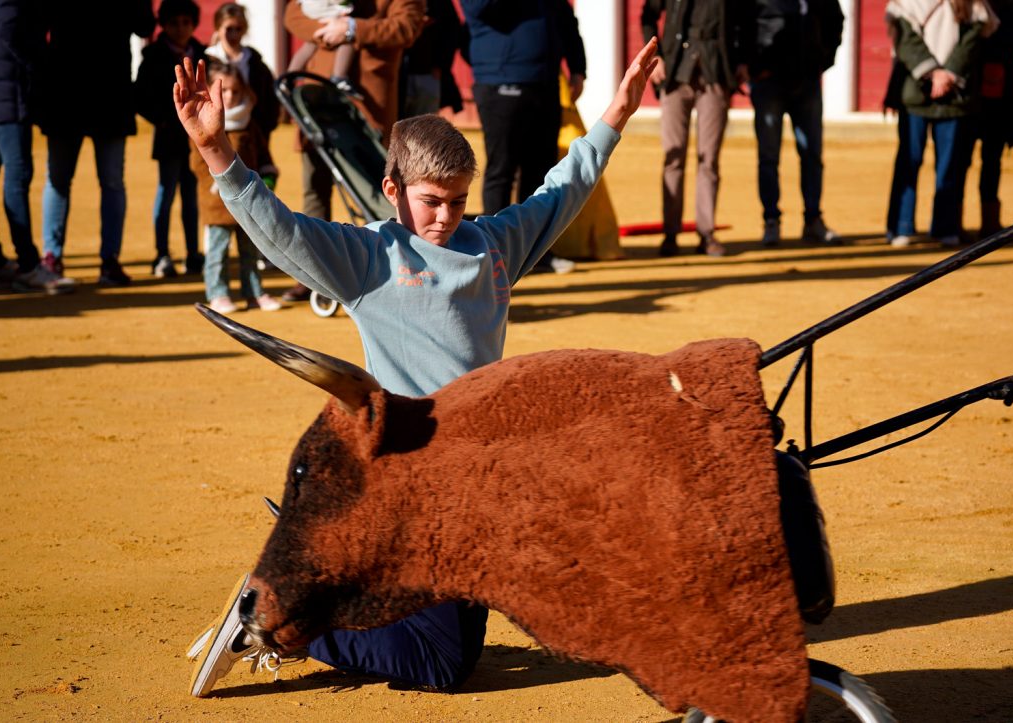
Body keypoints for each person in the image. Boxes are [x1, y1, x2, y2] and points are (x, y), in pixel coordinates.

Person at [173, 36, 660, 697]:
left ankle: (329, 585)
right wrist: (215, 151)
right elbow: (282, 230)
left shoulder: (491, 244)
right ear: (392, 189)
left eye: (459, 199)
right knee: (442, 665)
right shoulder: (370, 255)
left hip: (478, 485)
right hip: (408, 485)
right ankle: (281, 620)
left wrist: (616, 115)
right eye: (432, 200)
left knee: (455, 652)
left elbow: (562, 189)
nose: (448, 216)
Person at [281, 0, 424, 302]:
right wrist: (328, 28)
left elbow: (407, 26)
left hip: (368, 101)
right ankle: (312, 274)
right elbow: (294, 15)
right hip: (318, 101)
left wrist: (351, 28)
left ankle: (382, 273)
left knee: (374, 190)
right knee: (315, 189)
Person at [461, 0, 587, 274]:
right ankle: (494, 253)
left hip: (545, 82)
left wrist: (578, 65)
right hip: (500, 80)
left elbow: (563, 16)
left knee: (541, 173)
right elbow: (479, 9)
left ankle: (537, 252)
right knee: (502, 169)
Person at [37, 0, 155, 286]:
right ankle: (59, 256)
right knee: (64, 179)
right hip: (76, 93)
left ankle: (102, 259)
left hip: (99, 94)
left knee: (96, 181)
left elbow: (144, 27)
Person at [641, 0, 754, 257]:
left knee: (709, 158)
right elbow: (647, 16)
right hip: (675, 72)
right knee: (673, 155)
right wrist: (654, 56)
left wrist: (744, 61)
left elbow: (747, 22)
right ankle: (671, 233)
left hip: (716, 70)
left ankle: (706, 233)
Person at [884, 0, 999, 248]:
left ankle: (945, 226)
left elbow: (972, 41)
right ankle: (901, 226)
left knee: (950, 163)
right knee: (909, 159)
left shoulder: (972, 3)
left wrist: (949, 74)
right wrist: (934, 72)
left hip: (955, 94)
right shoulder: (906, 3)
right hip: (915, 91)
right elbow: (905, 40)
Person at [0, 0, 75, 294]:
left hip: (4, 92)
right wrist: (39, 66)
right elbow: (8, 29)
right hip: (8, 97)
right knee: (18, 177)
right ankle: (28, 265)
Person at [191, 61, 282, 314]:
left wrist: (268, 179)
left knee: (250, 251)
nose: (229, 97)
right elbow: (197, 163)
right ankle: (218, 294)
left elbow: (264, 157)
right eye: (223, 91)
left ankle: (253, 292)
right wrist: (217, 183)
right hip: (217, 204)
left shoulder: (249, 124)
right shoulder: (201, 123)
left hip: (248, 203)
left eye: (235, 91)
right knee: (217, 252)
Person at [750, 0, 843, 247]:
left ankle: (813, 219)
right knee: (769, 157)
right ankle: (771, 220)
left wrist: (822, 61)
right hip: (768, 83)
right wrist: (755, 67)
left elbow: (835, 20)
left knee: (812, 154)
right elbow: (740, 24)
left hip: (807, 81)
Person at [136, 0, 207, 279]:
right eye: (174, 23)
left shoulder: (202, 53)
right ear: (164, 25)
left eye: (186, 23)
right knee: (165, 194)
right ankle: (162, 254)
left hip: (196, 139)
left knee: (191, 198)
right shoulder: (153, 55)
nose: (180, 28)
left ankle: (192, 254)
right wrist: (163, 119)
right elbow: (140, 96)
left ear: (193, 24)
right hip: (168, 137)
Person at [957, 0, 1013, 239]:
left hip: (996, 97)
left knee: (989, 160)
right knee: (963, 161)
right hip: (968, 94)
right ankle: (955, 222)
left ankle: (988, 223)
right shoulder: (964, 5)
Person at [205, 3, 281, 145]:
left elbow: (269, 99)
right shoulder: (207, 60)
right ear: (218, 28)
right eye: (229, 29)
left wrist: (265, 128)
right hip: (213, 130)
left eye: (238, 29)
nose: (234, 34)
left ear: (244, 29)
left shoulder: (255, 62)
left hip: (251, 132)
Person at [397, 0, 464, 119]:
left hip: (427, 72)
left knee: (425, 132)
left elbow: (452, 28)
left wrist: (441, 65)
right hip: (394, 74)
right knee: (392, 131)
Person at [287, 0, 363, 99]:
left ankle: (289, 77)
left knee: (310, 45)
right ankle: (339, 77)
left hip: (312, 7)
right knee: (347, 34)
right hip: (324, 7)